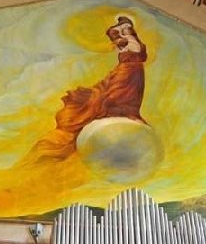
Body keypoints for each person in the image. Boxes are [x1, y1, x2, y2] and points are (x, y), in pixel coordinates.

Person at [17, 15, 148, 166]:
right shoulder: (127, 68)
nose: (119, 44)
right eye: (119, 37)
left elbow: (133, 55)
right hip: (122, 84)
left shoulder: (130, 66)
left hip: (124, 84)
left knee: (122, 86)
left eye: (121, 36)